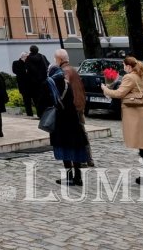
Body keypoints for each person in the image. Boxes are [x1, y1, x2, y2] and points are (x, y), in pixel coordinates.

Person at [101, 55, 143, 186]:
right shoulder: (141, 75)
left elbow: (119, 94)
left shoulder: (129, 77)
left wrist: (106, 89)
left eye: (124, 66)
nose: (123, 68)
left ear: (129, 66)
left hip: (137, 115)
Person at [47, 52, 89, 186]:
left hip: (65, 114)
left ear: (59, 59)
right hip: (75, 113)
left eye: (55, 58)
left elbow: (55, 96)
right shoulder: (73, 71)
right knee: (76, 145)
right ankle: (78, 176)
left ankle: (71, 176)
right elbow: (81, 91)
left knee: (66, 145)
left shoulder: (62, 74)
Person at [25, 45, 53, 114]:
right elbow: (48, 66)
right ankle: (46, 112)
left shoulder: (28, 59)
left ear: (30, 50)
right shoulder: (42, 57)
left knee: (36, 98)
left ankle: (39, 113)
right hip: (43, 81)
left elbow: (27, 70)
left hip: (33, 83)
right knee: (44, 98)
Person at [12, 51, 36, 117]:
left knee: (35, 99)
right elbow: (15, 71)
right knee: (26, 100)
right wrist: (24, 71)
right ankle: (29, 114)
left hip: (32, 85)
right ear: (24, 57)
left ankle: (38, 113)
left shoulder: (29, 63)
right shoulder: (16, 63)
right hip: (23, 85)